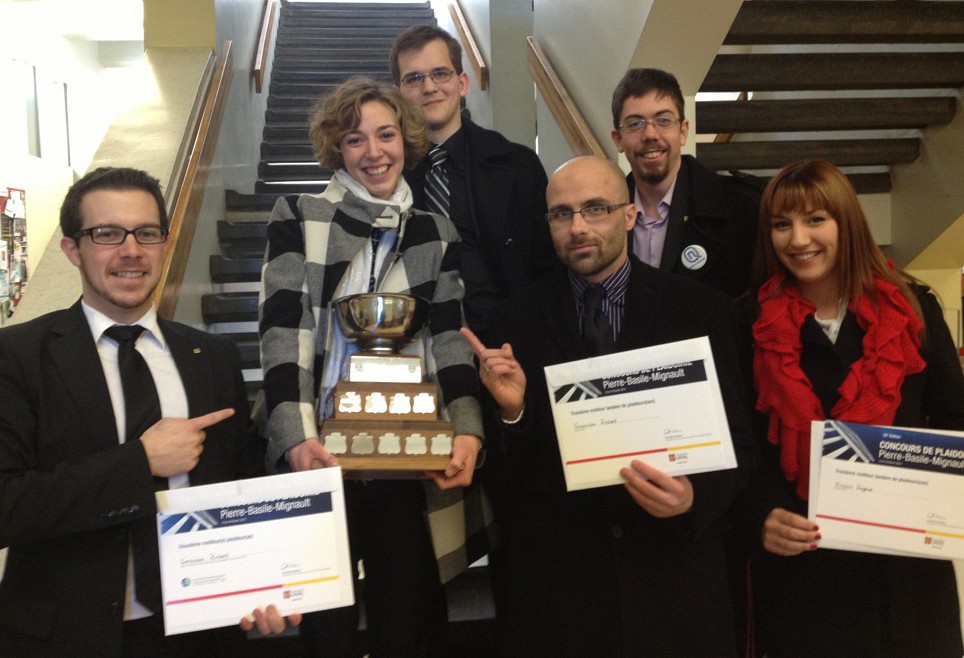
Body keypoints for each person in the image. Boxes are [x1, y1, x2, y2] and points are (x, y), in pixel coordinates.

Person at [462, 155, 759, 656]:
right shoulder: (515, 321)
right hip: (561, 601)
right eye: (562, 214)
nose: (577, 227)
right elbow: (506, 482)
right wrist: (514, 413)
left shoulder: (698, 309)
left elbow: (741, 446)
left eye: (595, 209)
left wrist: (693, 498)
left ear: (628, 215)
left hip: (672, 589)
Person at [0, 167, 288, 656]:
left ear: (164, 243)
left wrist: (262, 583)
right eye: (107, 234)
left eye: (146, 233)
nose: (131, 250)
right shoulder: (18, 355)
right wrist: (140, 462)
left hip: (199, 631)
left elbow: (239, 484)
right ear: (73, 249)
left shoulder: (211, 357)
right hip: (64, 636)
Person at [258, 77, 488, 657]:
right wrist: (296, 440)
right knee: (325, 632)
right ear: (337, 149)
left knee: (407, 623)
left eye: (386, 135)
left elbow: (450, 339)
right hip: (321, 458)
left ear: (407, 140)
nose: (374, 152)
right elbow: (283, 331)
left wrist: (466, 428)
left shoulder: (435, 232)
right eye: (355, 140)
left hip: (403, 462)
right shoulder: (300, 214)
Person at [741, 159, 964, 657]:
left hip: (903, 576)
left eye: (816, 219)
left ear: (847, 223)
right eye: (782, 224)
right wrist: (762, 514)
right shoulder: (750, 323)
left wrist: (931, 488)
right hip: (803, 574)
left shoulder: (914, 309)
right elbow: (741, 442)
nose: (798, 239)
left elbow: (954, 417)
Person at [389, 24, 556, 343]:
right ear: (397, 92)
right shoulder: (383, 176)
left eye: (440, 73)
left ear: (462, 83)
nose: (429, 87)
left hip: (505, 346)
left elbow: (547, 268)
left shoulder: (519, 166)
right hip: (412, 347)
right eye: (414, 78)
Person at [610, 68, 762, 298]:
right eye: (635, 123)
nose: (650, 134)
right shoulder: (603, 217)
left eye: (663, 120)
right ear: (618, 140)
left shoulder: (742, 209)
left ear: (683, 131)